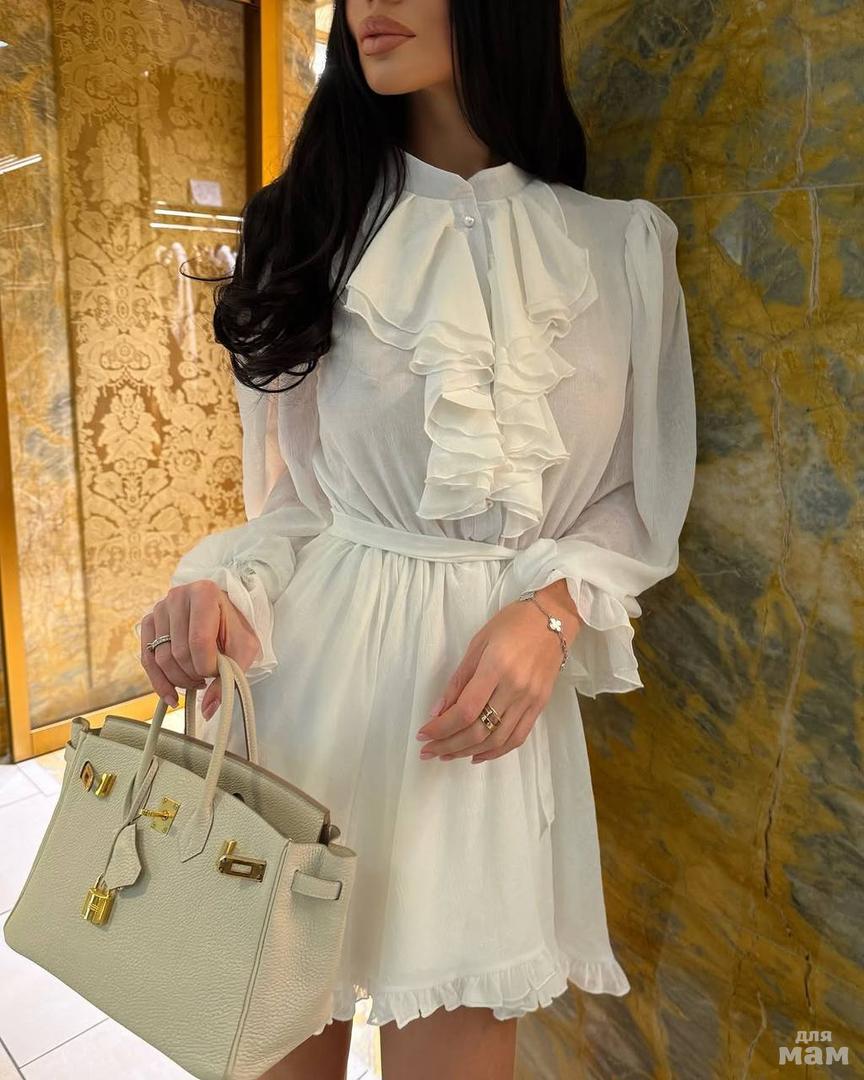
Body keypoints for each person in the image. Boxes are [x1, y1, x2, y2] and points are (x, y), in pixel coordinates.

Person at [136, 1, 697, 1077]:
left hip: (476, 727)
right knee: (273, 1048)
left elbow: (639, 493)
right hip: (307, 698)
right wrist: (226, 585)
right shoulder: (309, 225)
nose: (368, 4)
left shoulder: (621, 244)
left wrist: (553, 613)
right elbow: (301, 501)